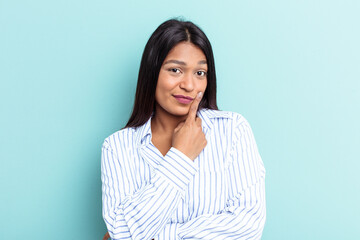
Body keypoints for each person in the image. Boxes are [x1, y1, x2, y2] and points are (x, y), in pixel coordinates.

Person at [101, 19, 266, 240]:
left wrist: (159, 236)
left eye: (200, 73)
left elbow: (249, 225)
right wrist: (181, 157)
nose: (189, 85)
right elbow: (123, 232)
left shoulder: (232, 131)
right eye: (175, 70)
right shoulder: (117, 147)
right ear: (152, 72)